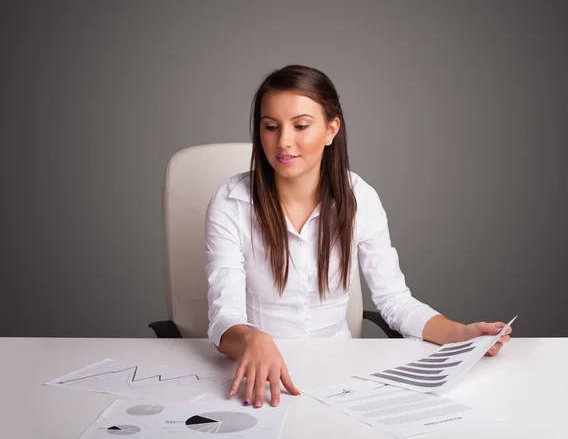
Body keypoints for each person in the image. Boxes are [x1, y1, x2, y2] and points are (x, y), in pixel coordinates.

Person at [204, 64, 512, 409]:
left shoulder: (359, 198)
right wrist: (251, 339)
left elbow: (394, 300)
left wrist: (462, 335)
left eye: (301, 125)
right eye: (270, 127)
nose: (283, 141)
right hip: (255, 375)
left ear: (331, 129)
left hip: (339, 376)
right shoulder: (231, 202)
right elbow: (223, 316)